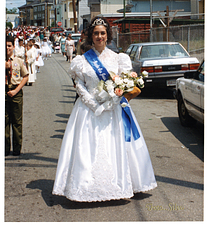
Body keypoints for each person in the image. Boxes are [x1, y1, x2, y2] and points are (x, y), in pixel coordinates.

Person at [52, 16, 157, 202]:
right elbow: (79, 85)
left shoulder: (119, 59)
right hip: (88, 111)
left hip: (114, 110)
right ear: (90, 37)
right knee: (86, 148)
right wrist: (93, 104)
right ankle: (84, 187)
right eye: (96, 33)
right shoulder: (81, 60)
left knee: (115, 147)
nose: (99, 37)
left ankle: (119, 185)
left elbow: (125, 86)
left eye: (102, 33)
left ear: (108, 35)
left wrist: (111, 102)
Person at [5, 35, 29, 156]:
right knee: (4, 121)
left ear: (13, 47)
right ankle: (4, 148)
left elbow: (25, 76)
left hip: (15, 91)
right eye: (5, 45)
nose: (7, 48)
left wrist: (16, 91)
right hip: (4, 90)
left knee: (16, 121)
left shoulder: (18, 61)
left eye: (9, 45)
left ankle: (16, 148)